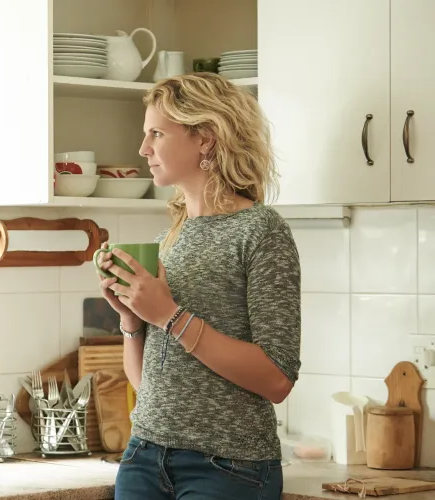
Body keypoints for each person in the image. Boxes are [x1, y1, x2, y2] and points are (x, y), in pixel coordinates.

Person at [97, 73, 301, 500]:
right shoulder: (167, 239)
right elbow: (149, 386)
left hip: (230, 467)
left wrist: (168, 316)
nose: (143, 149)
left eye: (156, 133)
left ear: (205, 138)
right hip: (143, 459)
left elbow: (278, 379)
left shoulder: (261, 231)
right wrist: (132, 322)